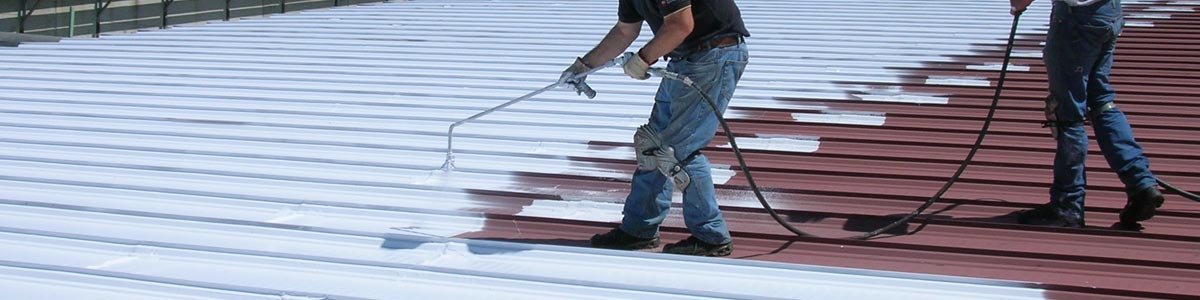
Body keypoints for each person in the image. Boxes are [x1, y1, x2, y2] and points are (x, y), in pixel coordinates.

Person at [560, 0, 749, 256]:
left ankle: (712, 237)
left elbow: (680, 25)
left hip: (714, 56)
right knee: (652, 144)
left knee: (678, 151)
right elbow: (624, 31)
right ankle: (639, 230)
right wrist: (583, 67)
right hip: (684, 58)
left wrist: (643, 59)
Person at [1010, 0, 1164, 229]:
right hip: (1108, 12)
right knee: (1101, 101)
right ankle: (1140, 183)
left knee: (1068, 114)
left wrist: (1019, 4)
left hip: (1075, 18)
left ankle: (1066, 207)